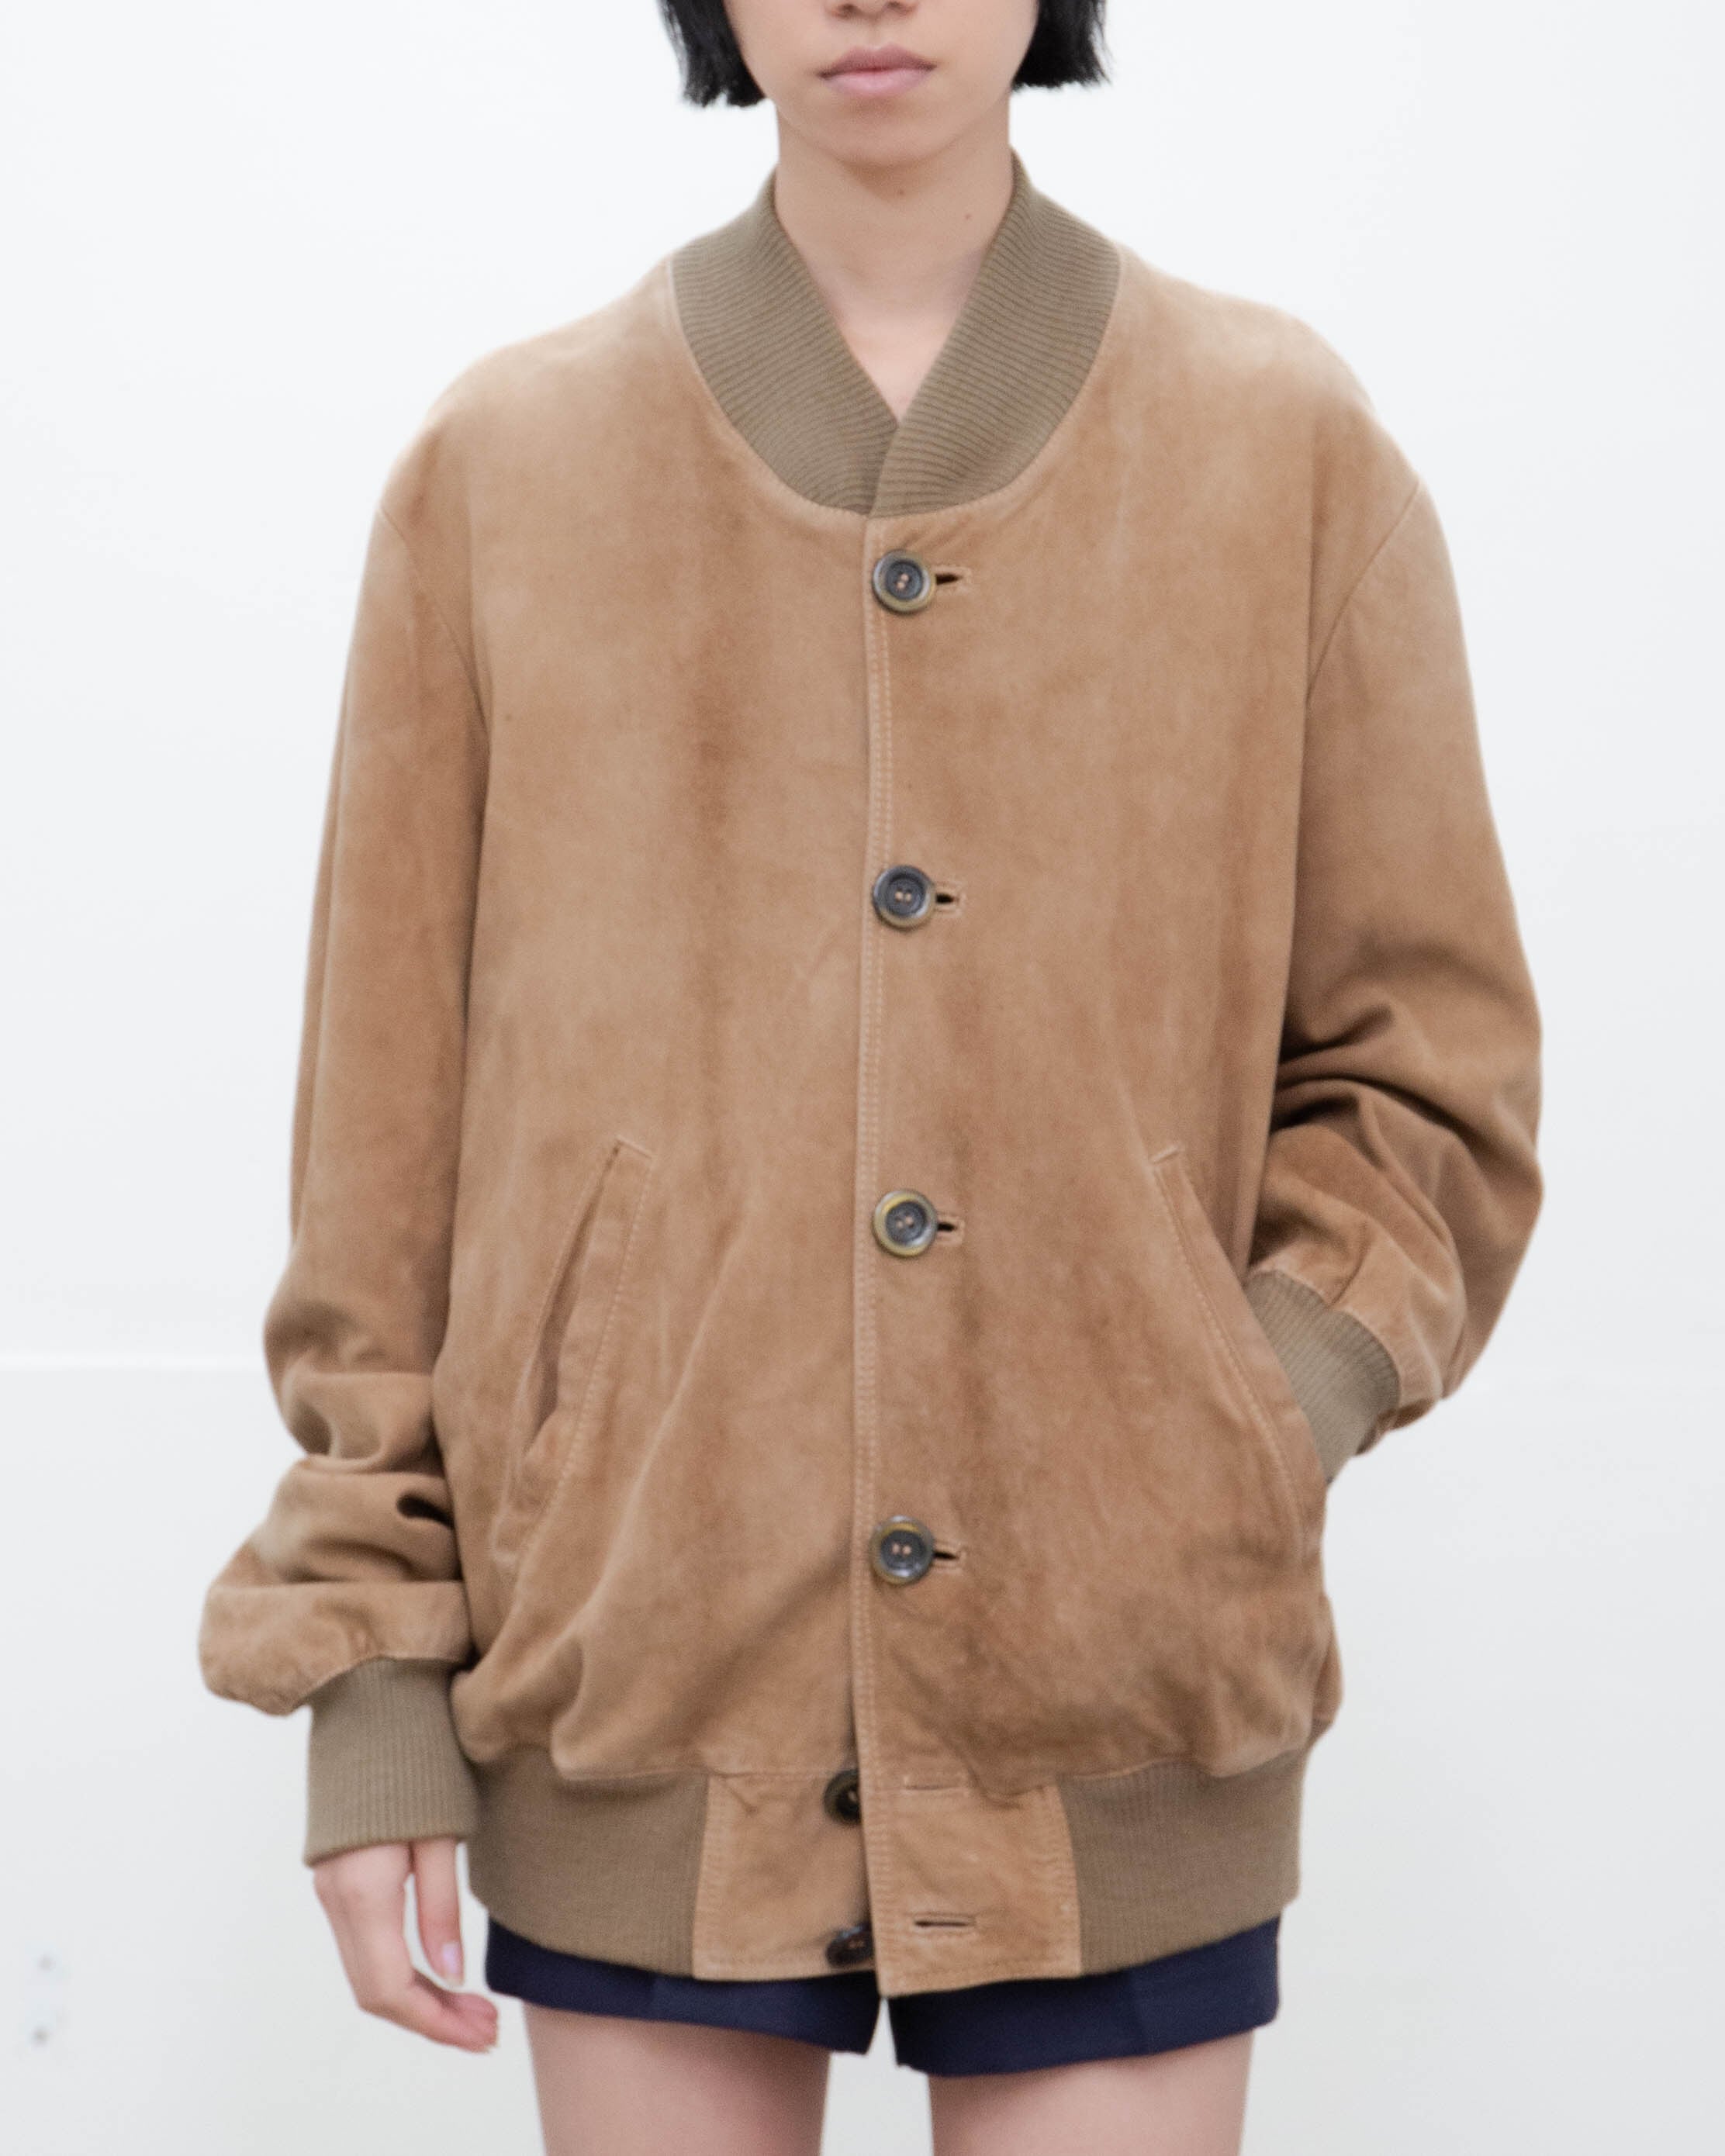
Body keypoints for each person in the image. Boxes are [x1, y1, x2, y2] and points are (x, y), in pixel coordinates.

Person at [195, 2, 1544, 2150]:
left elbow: (1431, 1084)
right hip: (638, 1669)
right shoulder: (504, 471)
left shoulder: (1279, 446)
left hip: (1123, 1680)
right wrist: (368, 1675)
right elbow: (383, 1155)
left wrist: (1225, 1414)